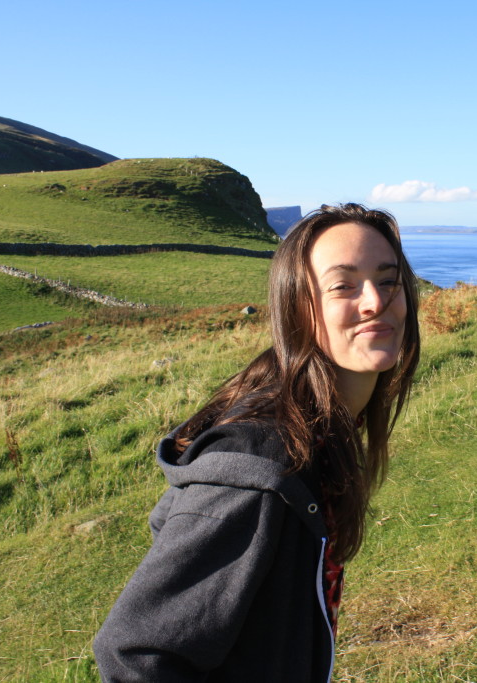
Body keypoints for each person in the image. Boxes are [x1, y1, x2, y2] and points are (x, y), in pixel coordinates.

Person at [93, 203, 421, 681]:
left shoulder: (323, 432)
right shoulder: (261, 464)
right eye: (342, 285)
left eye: (387, 279)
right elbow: (134, 653)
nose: (374, 300)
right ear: (299, 308)